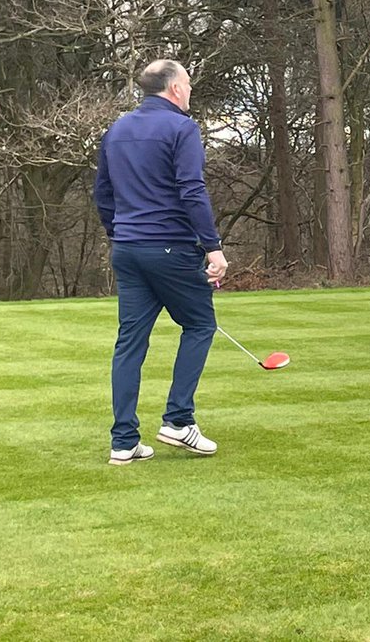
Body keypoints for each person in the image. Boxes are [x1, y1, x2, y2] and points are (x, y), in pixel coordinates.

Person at [94, 59, 228, 465]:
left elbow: (103, 194)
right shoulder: (182, 128)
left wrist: (118, 234)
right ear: (173, 89)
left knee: (129, 343)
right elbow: (191, 189)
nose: (190, 90)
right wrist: (213, 246)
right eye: (187, 83)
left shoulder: (116, 130)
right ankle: (178, 419)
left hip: (129, 250)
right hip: (169, 246)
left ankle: (124, 441)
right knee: (201, 324)